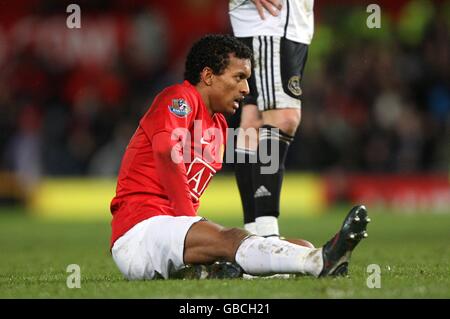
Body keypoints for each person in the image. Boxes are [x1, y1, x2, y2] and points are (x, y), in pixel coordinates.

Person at [109, 34, 369, 280]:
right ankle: (320, 261)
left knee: (299, 245)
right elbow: (167, 151)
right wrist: (189, 219)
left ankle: (214, 272)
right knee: (233, 239)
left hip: (172, 232)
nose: (246, 89)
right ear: (208, 76)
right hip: (140, 231)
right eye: (239, 77)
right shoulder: (180, 98)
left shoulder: (219, 125)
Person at [229, 0, 314, 237]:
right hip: (270, 23)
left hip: (287, 23)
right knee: (283, 117)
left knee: (253, 122)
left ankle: (253, 237)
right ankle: (267, 238)